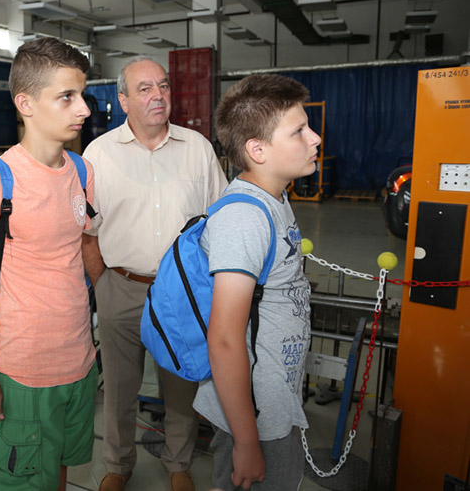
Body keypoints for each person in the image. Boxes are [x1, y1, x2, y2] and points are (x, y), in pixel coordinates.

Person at [0, 37, 97, 491]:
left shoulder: (82, 171)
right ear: (25, 104)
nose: (83, 109)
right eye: (67, 97)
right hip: (24, 372)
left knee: (60, 471)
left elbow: (82, 252)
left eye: (82, 94)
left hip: (80, 363)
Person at [82, 55, 228, 491]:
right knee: (119, 388)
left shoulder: (197, 148)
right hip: (120, 286)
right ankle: (117, 465)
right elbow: (86, 231)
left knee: (181, 384)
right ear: (123, 100)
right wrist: (103, 285)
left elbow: (219, 220)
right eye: (144, 88)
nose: (158, 95)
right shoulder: (98, 154)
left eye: (163, 85)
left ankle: (178, 463)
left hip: (182, 292)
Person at [193, 74, 320, 490]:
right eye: (299, 131)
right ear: (257, 150)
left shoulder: (275, 198)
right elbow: (224, 339)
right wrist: (247, 442)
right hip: (255, 415)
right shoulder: (244, 218)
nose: (315, 138)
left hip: (275, 397)